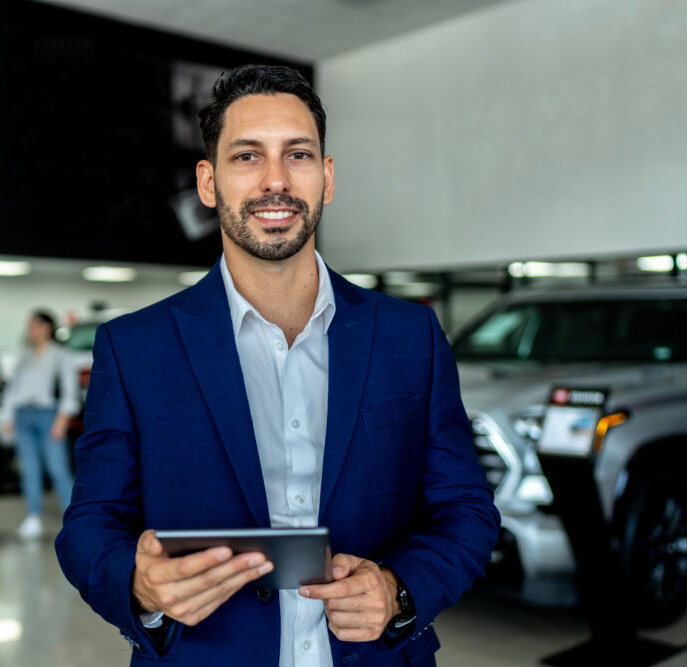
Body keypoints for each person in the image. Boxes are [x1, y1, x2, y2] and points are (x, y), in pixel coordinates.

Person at [55, 65, 500, 666]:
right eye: (246, 157)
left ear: (328, 176)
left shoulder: (407, 336)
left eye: (298, 155)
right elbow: (90, 525)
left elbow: (466, 510)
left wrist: (400, 590)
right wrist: (139, 584)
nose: (275, 181)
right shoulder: (135, 348)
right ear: (208, 183)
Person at [1, 311, 79, 540]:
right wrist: (7, 416)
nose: (29, 330)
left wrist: (62, 419)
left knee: (57, 467)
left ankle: (74, 516)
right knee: (29, 469)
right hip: (23, 414)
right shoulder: (23, 355)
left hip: (48, 415)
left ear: (46, 327)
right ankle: (33, 515)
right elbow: (12, 387)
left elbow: (69, 389)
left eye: (34, 325)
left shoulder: (60, 355)